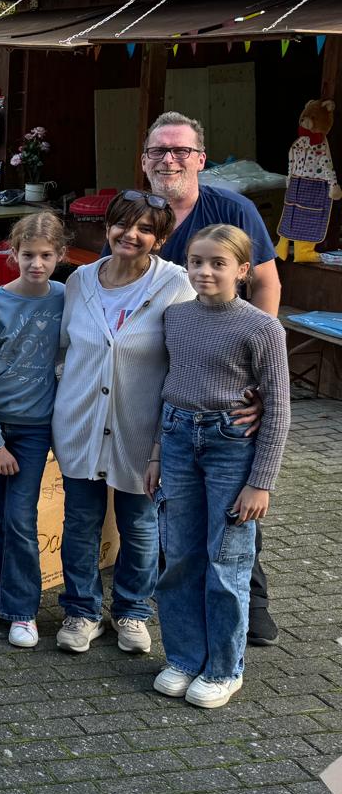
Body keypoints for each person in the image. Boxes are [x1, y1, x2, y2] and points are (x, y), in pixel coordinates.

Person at [140, 110, 283, 647]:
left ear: (200, 158)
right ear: (145, 160)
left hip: (228, 383)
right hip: (167, 374)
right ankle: (169, 600)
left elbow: (267, 283)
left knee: (232, 505)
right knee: (172, 504)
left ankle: (254, 602)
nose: (169, 159)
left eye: (180, 150)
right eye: (158, 150)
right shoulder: (141, 214)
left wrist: (262, 379)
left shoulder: (232, 209)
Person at [147, 225, 290, 708]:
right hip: (177, 438)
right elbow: (165, 386)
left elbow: (278, 407)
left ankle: (225, 668)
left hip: (231, 446)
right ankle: (185, 657)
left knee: (226, 560)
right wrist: (155, 455)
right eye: (196, 262)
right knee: (179, 555)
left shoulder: (262, 327)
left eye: (217, 263)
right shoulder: (175, 318)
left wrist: (260, 483)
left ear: (243, 271)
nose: (204, 271)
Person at [54, 191, 195, 655]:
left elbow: (191, 354)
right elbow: (62, 351)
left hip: (142, 428)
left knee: (139, 524)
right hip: (81, 423)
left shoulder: (176, 284)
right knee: (80, 521)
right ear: (107, 227)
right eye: (122, 225)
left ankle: (133, 611)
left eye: (145, 229)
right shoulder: (79, 280)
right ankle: (81, 610)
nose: (130, 235)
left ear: (160, 238)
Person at [0, 212, 66, 648]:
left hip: (35, 428)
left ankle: (22, 609)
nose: (35, 263)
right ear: (12, 254)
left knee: (20, 518)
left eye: (45, 255)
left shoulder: (64, 298)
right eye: (27, 255)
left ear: (59, 256)